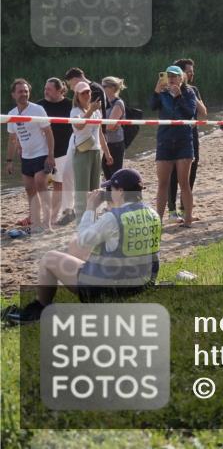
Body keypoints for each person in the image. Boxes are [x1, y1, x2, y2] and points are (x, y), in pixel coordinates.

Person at [2, 168, 160, 325]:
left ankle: (39, 309)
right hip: (142, 283)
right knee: (79, 251)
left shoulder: (113, 218)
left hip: (111, 290)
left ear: (120, 191)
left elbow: (82, 240)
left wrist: (90, 208)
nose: (109, 193)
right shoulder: (153, 214)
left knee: (49, 258)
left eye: (110, 189)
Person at [160, 59, 208, 220]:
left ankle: (185, 210)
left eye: (192, 71)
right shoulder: (164, 91)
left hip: (190, 134)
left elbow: (203, 112)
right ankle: (172, 209)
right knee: (171, 176)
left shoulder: (192, 90)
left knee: (189, 174)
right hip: (171, 135)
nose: (191, 74)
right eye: (189, 71)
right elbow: (157, 106)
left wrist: (190, 96)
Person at [6, 79, 56, 232]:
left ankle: (48, 223)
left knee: (41, 183)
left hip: (41, 153)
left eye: (26, 91)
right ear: (14, 94)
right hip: (26, 157)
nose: (24, 94)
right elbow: (13, 139)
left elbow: (48, 132)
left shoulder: (38, 109)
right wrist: (9, 160)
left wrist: (51, 155)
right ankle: (35, 222)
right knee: (29, 188)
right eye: (20, 91)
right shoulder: (11, 114)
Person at [151, 65, 197, 226]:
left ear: (181, 78)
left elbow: (190, 113)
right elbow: (152, 106)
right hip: (165, 140)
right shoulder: (162, 93)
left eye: (174, 76)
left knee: (183, 182)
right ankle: (158, 220)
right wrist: (157, 90)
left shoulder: (189, 92)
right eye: (168, 75)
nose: (171, 78)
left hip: (183, 140)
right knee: (162, 183)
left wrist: (178, 97)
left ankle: (188, 218)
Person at [70, 80, 113, 224]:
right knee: (82, 190)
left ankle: (93, 220)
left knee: (95, 189)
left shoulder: (97, 111)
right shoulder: (75, 111)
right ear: (77, 95)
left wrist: (107, 152)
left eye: (88, 92)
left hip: (95, 151)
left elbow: (100, 133)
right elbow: (79, 126)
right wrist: (90, 111)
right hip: (82, 152)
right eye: (83, 93)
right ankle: (81, 222)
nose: (87, 95)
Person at [38, 78, 74, 226]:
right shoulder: (39, 106)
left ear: (60, 90)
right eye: (45, 88)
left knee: (60, 184)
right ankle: (42, 215)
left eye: (49, 89)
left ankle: (57, 215)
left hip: (64, 151)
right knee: (40, 183)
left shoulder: (70, 104)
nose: (46, 91)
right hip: (42, 151)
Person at [100, 77, 127, 179]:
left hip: (115, 143)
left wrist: (98, 127)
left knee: (114, 174)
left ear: (112, 88)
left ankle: (116, 194)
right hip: (106, 143)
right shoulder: (105, 103)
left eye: (104, 87)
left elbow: (110, 126)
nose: (101, 89)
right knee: (106, 171)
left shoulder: (118, 103)